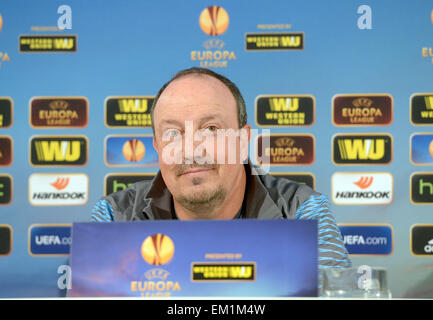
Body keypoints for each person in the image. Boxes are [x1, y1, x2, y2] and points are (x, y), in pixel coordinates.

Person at [91, 67, 351, 285]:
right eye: (173, 133)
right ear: (157, 146)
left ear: (243, 139)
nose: (191, 150)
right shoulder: (113, 216)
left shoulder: (302, 212)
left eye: (211, 129)